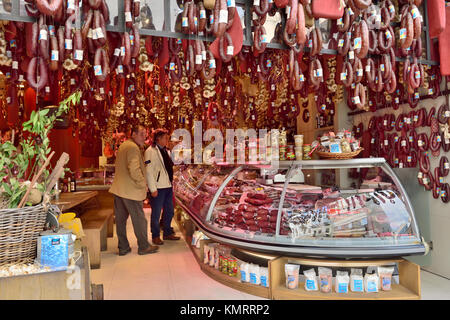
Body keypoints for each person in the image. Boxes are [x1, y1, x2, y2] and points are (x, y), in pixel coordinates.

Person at [109, 125, 159, 256]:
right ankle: (143, 246)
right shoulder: (132, 147)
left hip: (120, 189)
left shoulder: (125, 145)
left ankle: (123, 247)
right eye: (142, 134)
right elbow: (134, 169)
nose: (144, 137)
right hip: (130, 190)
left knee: (120, 220)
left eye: (145, 134)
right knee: (139, 219)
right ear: (134, 134)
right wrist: (143, 184)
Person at [145, 129, 180, 245]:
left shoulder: (166, 151)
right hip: (158, 187)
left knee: (169, 211)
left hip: (168, 186)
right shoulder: (150, 151)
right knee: (156, 213)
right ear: (158, 139)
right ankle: (155, 235)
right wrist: (152, 188)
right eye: (165, 138)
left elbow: (168, 167)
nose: (167, 140)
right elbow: (148, 171)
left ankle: (167, 232)